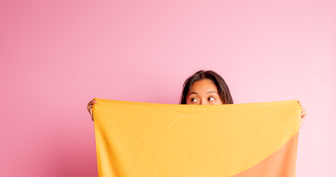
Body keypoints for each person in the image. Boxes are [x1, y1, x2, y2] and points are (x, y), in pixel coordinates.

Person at [87, 69, 306, 126]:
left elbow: (266, 141)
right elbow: (137, 138)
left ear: (225, 102)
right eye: (194, 99)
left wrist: (290, 123)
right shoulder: (171, 128)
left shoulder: (242, 130)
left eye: (211, 98)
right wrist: (106, 119)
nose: (202, 104)